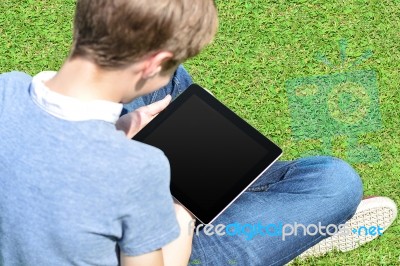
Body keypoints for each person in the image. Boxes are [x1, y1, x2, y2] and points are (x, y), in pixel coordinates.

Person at [0, 1, 396, 266]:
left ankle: (276, 223)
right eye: (170, 63)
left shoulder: (7, 88)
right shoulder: (138, 171)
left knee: (171, 94)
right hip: (154, 244)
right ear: (153, 62)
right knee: (335, 184)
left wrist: (118, 130)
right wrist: (181, 212)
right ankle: (293, 233)